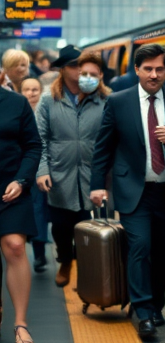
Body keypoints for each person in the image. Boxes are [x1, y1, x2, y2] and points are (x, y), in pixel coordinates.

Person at [90, 44, 165, 342]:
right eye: (148, 69)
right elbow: (103, 147)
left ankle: (156, 304)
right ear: (137, 70)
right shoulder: (118, 102)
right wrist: (97, 185)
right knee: (140, 246)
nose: (154, 74)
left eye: (160, 69)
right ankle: (142, 311)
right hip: (133, 191)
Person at [36, 48, 109, 288]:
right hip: (60, 171)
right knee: (61, 225)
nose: (80, 72)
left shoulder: (104, 98)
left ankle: (90, 272)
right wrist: (43, 169)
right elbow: (40, 139)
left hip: (94, 170)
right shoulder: (49, 99)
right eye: (74, 66)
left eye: (83, 66)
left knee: (91, 227)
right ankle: (65, 259)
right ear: (62, 70)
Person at [0, 81, 42, 343]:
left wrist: (22, 180)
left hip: (11, 188)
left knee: (15, 246)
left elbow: (33, 146)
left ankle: (20, 323)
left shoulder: (16, 103)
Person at [20, 78, 47, 272]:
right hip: (18, 169)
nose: (31, 93)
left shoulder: (44, 110)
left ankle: (39, 253)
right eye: (27, 90)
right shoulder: (17, 110)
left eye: (35, 89)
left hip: (39, 168)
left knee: (39, 210)